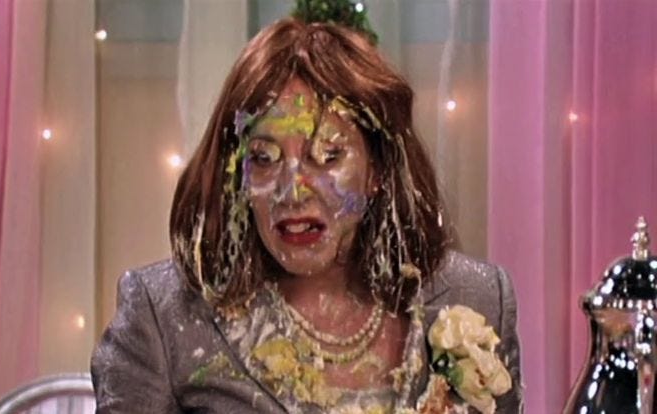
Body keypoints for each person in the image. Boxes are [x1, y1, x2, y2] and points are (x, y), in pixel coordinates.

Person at [91, 13, 522, 414]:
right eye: (263, 158)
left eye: (327, 155)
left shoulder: (477, 299)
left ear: (377, 169)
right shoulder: (161, 317)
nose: (292, 191)